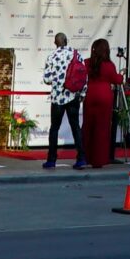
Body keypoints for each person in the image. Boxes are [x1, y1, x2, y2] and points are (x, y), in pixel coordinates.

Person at [42, 31, 85, 170]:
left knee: (54, 129)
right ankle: (81, 158)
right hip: (73, 96)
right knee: (76, 127)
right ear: (67, 41)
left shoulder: (52, 56)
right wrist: (82, 93)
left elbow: (47, 79)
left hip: (58, 98)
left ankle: (51, 160)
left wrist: (57, 78)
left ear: (55, 43)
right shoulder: (76, 54)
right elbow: (84, 75)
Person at [83, 38, 122, 168]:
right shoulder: (109, 65)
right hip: (105, 97)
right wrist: (121, 75)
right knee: (102, 129)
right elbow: (116, 80)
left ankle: (85, 157)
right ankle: (98, 160)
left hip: (89, 96)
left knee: (88, 127)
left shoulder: (86, 63)